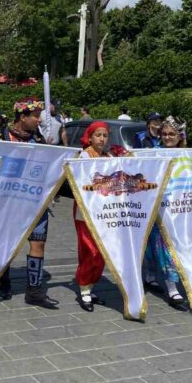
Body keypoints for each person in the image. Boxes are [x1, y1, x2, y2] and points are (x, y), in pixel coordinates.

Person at [0, 98, 59, 308]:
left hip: (35, 201)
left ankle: (34, 290)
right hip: (9, 203)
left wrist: (50, 154)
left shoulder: (39, 140)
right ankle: (3, 278)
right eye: (35, 117)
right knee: (7, 242)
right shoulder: (0, 139)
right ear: (22, 117)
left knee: (38, 243)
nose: (39, 120)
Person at [142, 116, 186, 309]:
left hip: (180, 208)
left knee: (173, 245)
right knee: (160, 245)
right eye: (165, 134)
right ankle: (171, 287)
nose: (168, 137)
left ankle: (152, 277)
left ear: (180, 136)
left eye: (172, 134)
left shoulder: (188, 156)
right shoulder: (154, 153)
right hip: (159, 207)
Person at [74, 121, 111, 312]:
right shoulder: (84, 156)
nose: (102, 139)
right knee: (90, 250)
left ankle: (90, 287)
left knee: (102, 251)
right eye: (98, 135)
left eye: (105, 135)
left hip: (104, 210)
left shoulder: (108, 157)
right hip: (86, 210)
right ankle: (84, 289)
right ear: (89, 137)